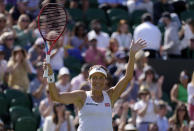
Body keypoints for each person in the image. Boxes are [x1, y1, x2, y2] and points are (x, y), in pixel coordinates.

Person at [44, 38, 147, 131]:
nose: (98, 81)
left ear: (105, 81)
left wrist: (132, 54)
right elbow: (55, 97)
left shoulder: (110, 95)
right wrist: (50, 76)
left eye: (101, 78)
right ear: (89, 80)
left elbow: (128, 77)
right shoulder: (81, 96)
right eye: (94, 78)